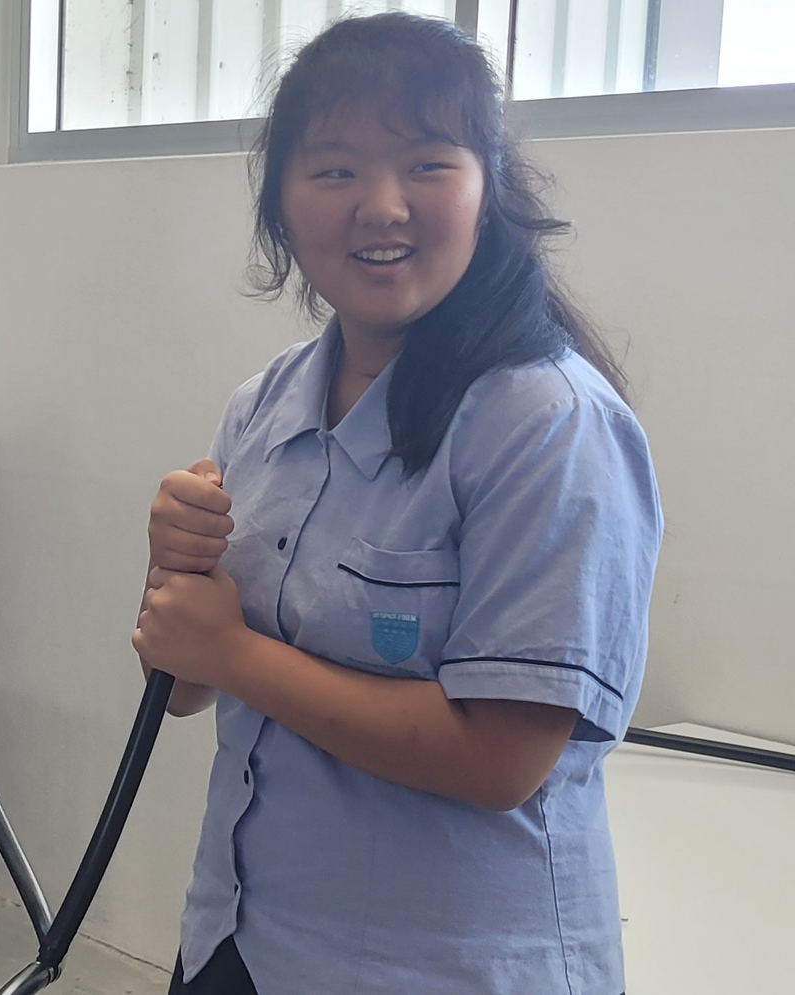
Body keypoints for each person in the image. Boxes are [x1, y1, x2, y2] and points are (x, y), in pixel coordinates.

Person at [132, 14, 661, 995]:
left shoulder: (547, 423)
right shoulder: (265, 404)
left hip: (445, 963)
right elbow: (187, 684)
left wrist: (233, 650)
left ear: (488, 187)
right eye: (333, 171)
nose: (382, 207)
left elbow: (503, 757)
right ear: (280, 209)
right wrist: (174, 570)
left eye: (426, 163)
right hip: (241, 933)